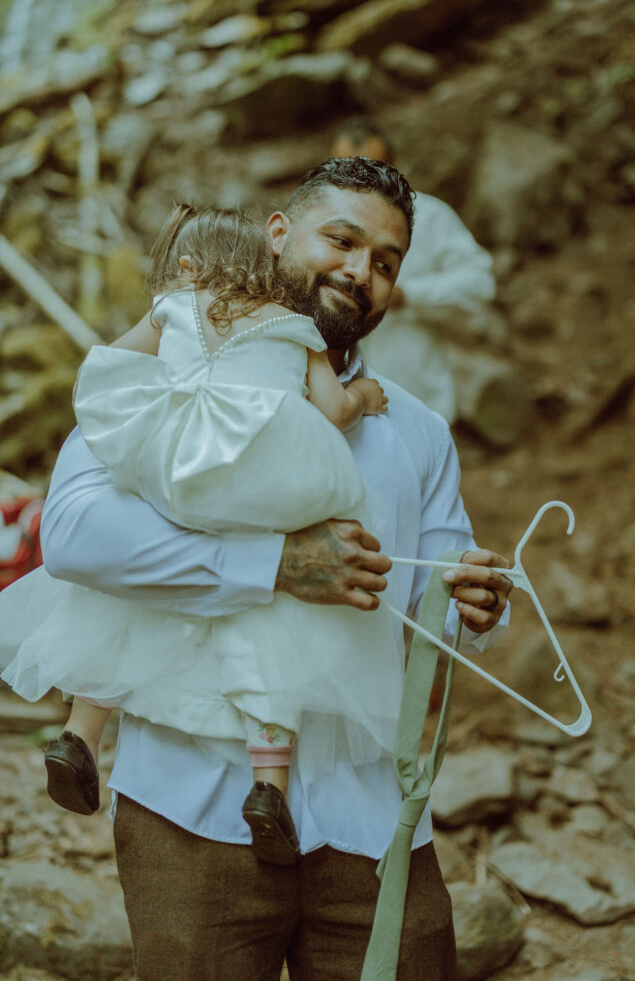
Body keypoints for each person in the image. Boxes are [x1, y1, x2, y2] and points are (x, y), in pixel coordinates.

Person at [36, 158, 512, 980]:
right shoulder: (166, 384)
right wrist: (277, 565)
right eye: (342, 239)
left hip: (370, 817)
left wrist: (475, 601)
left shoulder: (418, 431)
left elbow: (431, 586)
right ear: (278, 235)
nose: (360, 272)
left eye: (387, 261)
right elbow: (73, 535)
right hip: (194, 810)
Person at [0, 203, 399, 866]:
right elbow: (331, 411)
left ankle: (80, 731)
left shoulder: (176, 306)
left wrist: (163, 393)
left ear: (188, 267)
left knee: (127, 592)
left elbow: (111, 367)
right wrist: (365, 400)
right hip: (267, 481)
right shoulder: (294, 326)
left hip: (178, 469)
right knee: (274, 619)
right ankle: (268, 783)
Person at [331, 117, 498, 423]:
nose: (361, 185)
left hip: (420, 404)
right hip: (341, 411)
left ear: (395, 165)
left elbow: (480, 283)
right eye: (348, 172)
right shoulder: (320, 229)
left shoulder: (431, 218)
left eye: (374, 169)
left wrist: (408, 296)